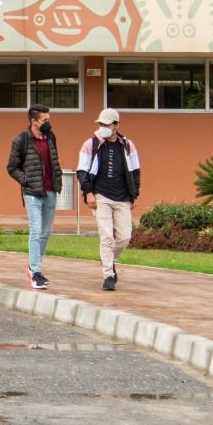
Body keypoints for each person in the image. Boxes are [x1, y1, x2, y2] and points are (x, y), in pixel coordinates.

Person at [76, 108, 141, 292]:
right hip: (101, 196)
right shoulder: (91, 144)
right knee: (106, 237)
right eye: (101, 124)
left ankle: (109, 260)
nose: (103, 127)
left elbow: (135, 171)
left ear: (116, 125)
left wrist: (134, 194)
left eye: (107, 124)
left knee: (124, 237)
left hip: (122, 197)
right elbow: (82, 171)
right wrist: (88, 193)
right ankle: (108, 276)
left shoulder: (128, 146)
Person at [6, 103, 63, 290]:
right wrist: (27, 180)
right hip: (32, 193)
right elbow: (12, 167)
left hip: (50, 191)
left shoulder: (50, 137)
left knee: (45, 233)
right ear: (33, 121)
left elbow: (54, 161)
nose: (48, 123)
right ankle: (36, 272)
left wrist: (57, 181)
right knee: (36, 230)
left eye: (49, 119)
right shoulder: (21, 139)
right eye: (44, 120)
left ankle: (32, 268)